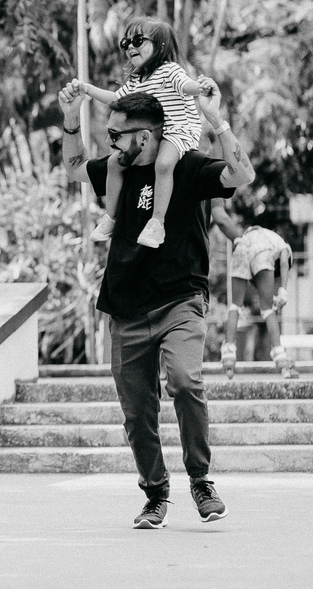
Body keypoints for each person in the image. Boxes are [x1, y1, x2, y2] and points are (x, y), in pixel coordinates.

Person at [57, 81, 256, 530]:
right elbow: (72, 168)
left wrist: (216, 120)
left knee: (185, 382)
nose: (110, 143)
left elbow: (242, 175)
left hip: (179, 301)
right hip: (125, 307)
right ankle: (155, 492)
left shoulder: (186, 169)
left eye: (116, 136)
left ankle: (200, 479)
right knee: (137, 411)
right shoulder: (116, 169)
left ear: (144, 137)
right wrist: (71, 118)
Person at [73, 17, 213, 249]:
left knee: (164, 164)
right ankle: (111, 216)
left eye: (138, 40)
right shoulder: (136, 79)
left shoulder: (170, 71)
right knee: (113, 164)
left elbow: (186, 85)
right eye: (126, 42)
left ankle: (157, 222)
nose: (130, 47)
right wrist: (88, 89)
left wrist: (201, 88)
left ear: (160, 46)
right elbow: (116, 99)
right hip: (152, 137)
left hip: (178, 132)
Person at [210, 200, 296, 379]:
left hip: (242, 245)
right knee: (267, 310)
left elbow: (256, 278)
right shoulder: (282, 245)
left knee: (234, 306)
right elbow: (284, 262)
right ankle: (281, 358)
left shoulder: (259, 234)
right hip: (262, 251)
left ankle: (228, 358)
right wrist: (283, 291)